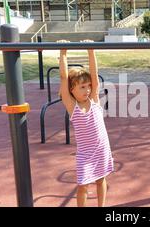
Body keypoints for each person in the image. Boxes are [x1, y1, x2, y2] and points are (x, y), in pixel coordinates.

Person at [58, 40, 114, 207]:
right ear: (71, 90)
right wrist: (63, 52)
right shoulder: (72, 106)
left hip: (101, 148)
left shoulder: (94, 100)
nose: (87, 90)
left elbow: (95, 76)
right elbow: (63, 77)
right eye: (82, 87)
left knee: (101, 179)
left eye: (88, 86)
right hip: (85, 153)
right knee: (82, 185)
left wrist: (91, 50)